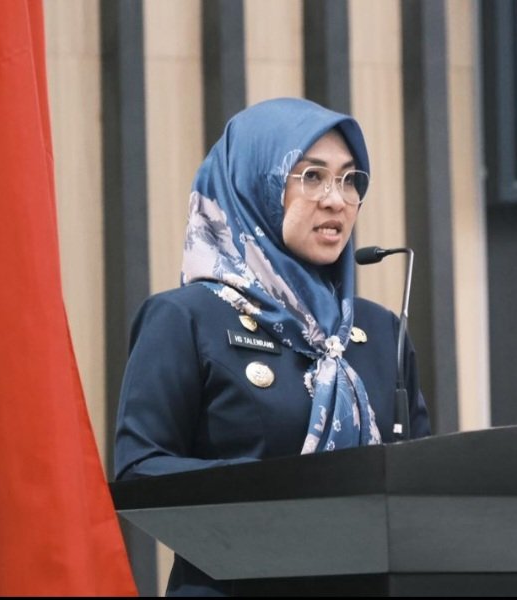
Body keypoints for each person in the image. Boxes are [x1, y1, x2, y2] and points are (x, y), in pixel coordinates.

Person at [113, 97, 431, 596]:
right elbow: (139, 468)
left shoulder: (381, 330)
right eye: (312, 176)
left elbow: (422, 480)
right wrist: (275, 489)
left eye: (350, 179)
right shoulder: (186, 319)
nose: (336, 200)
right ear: (254, 184)